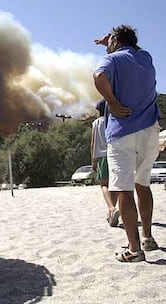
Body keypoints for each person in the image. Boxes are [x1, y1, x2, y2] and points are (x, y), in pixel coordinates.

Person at [94, 25, 160, 262]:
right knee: (143, 185)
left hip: (123, 132)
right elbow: (130, 51)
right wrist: (111, 43)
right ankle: (148, 238)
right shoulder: (145, 56)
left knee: (124, 189)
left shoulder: (112, 59)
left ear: (115, 40)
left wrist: (111, 102)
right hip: (150, 130)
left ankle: (134, 250)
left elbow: (98, 76)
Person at [90, 99, 119, 227]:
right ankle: (111, 212)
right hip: (116, 154)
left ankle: (112, 208)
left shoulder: (96, 123)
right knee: (116, 184)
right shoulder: (114, 120)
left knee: (104, 185)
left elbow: (93, 143)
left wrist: (93, 160)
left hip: (102, 156)